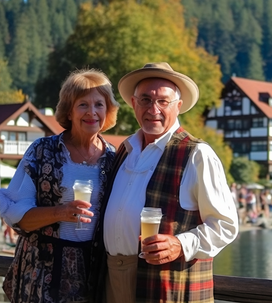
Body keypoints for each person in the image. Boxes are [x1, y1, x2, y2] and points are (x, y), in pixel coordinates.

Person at [90, 62, 239, 303]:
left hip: (167, 287)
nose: (153, 109)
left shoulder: (198, 154)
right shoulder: (124, 150)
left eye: (163, 101)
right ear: (133, 103)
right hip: (111, 278)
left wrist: (181, 244)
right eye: (146, 100)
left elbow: (226, 225)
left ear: (178, 106)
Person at [0, 69, 119, 303]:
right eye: (83, 104)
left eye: (99, 104)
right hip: (41, 269)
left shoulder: (115, 158)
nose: (92, 112)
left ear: (108, 111)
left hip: (92, 273)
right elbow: (17, 217)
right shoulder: (42, 151)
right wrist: (61, 212)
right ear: (69, 111)